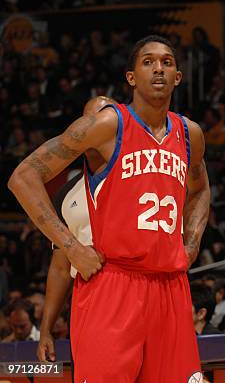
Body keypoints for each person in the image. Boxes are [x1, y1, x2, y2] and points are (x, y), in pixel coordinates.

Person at [8, 35, 211, 382]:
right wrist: (72, 247)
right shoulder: (108, 125)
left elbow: (201, 189)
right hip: (114, 283)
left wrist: (191, 243)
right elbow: (23, 176)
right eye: (147, 62)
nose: (158, 68)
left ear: (178, 76)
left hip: (170, 287)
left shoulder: (190, 134)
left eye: (166, 62)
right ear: (131, 78)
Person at [37, 96, 116, 363]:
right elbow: (60, 267)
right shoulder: (66, 194)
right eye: (89, 120)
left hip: (138, 292)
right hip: (91, 300)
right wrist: (46, 330)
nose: (97, 125)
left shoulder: (141, 175)